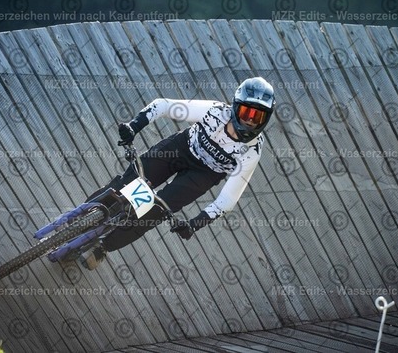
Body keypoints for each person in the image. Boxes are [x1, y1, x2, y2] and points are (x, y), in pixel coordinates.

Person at [81, 77, 275, 269]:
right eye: (247, 112)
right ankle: (79, 217)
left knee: (152, 212)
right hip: (181, 150)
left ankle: (103, 247)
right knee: (125, 187)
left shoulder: (252, 150)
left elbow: (228, 199)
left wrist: (195, 224)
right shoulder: (215, 112)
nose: (250, 121)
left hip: (203, 175)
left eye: (257, 116)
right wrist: (134, 126)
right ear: (235, 106)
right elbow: (164, 105)